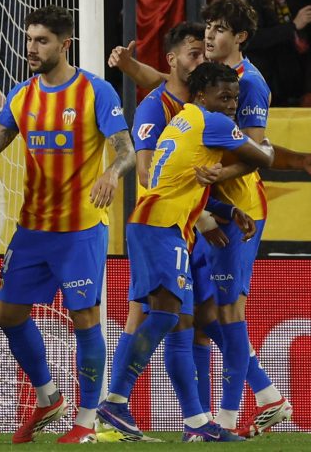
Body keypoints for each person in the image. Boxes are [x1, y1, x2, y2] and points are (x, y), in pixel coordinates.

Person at [111, 0, 311, 437]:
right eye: (207, 28)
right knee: (187, 318)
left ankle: (216, 418)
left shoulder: (246, 85)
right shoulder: (201, 95)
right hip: (189, 217)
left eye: (219, 29)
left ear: (241, 37)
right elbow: (178, 87)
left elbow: (255, 149)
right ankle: (207, 411)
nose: (209, 36)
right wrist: (133, 70)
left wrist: (224, 185)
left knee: (212, 315)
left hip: (223, 211)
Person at [0, 6, 135, 443]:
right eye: (29, 39)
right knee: (8, 314)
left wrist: (112, 174)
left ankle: (86, 419)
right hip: (34, 229)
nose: (31, 49)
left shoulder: (95, 91)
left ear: (65, 45)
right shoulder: (22, 95)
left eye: (42, 41)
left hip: (80, 230)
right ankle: (48, 397)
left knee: (84, 317)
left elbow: (126, 149)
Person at [97, 62, 275, 443]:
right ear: (201, 96)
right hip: (161, 227)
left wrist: (228, 210)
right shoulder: (213, 122)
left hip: (159, 224)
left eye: (235, 98)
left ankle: (196, 422)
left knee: (182, 324)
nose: (231, 105)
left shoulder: (183, 121)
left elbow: (185, 183)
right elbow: (264, 159)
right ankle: (115, 403)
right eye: (223, 97)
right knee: (164, 316)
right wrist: (262, 152)